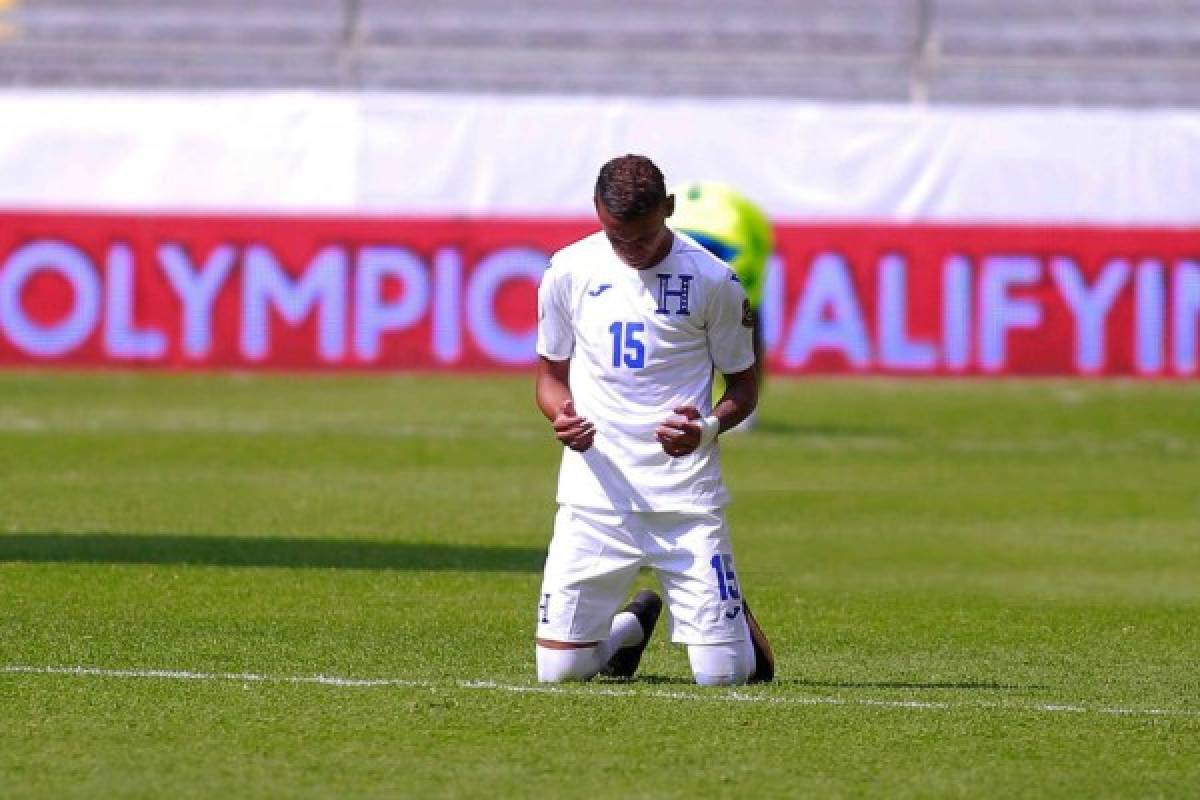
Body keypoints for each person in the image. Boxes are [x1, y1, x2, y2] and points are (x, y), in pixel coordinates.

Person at [533, 154, 775, 686]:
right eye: (619, 239)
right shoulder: (567, 272)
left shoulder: (715, 281)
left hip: (683, 499)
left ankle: (738, 632)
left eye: (643, 238)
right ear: (598, 211)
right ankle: (627, 633)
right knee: (558, 672)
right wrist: (561, 415)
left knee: (723, 678)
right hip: (594, 495)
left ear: (668, 209)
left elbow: (744, 390)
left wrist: (706, 429)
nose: (632, 252)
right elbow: (550, 377)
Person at [669, 182, 773, 428]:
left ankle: (740, 405)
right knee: (739, 323)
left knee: (737, 321)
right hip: (727, 238)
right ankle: (739, 404)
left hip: (730, 242)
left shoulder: (733, 229)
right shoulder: (734, 220)